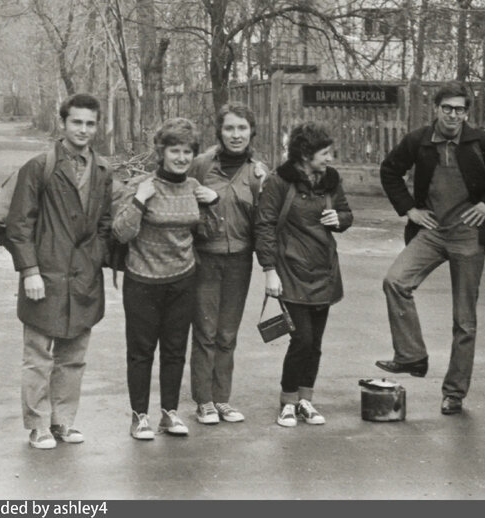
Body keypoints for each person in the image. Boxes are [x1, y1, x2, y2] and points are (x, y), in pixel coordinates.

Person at [376, 84, 485, 415]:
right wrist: (409, 209)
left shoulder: (480, 142)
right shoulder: (420, 141)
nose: (453, 115)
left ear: (466, 113)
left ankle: (454, 393)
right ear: (436, 109)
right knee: (395, 281)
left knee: (464, 320)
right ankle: (411, 355)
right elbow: (389, 170)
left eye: (460, 110)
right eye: (447, 108)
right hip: (431, 232)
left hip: (468, 236)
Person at [4, 93, 113, 450]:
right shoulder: (39, 167)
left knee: (73, 356)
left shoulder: (102, 170)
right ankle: (37, 425)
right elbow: (19, 224)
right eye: (77, 122)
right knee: (38, 355)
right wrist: (30, 270)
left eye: (90, 123)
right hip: (45, 275)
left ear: (98, 126)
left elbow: (105, 223)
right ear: (63, 123)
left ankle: (63, 422)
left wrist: (95, 258)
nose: (83, 130)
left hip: (84, 277)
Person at [111, 117, 220, 440]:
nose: (182, 158)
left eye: (188, 151)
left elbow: (209, 233)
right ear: (161, 152)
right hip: (143, 281)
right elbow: (121, 233)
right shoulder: (143, 186)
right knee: (141, 351)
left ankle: (169, 414)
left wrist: (212, 203)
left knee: (175, 350)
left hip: (182, 280)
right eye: (175, 150)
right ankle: (139, 417)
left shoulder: (193, 188)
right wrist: (140, 200)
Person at [254, 122, 353, 428]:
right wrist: (269, 271)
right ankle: (287, 401)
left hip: (324, 271)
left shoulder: (331, 180)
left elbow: (346, 213)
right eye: (324, 152)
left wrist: (340, 219)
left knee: (316, 342)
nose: (329, 158)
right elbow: (265, 226)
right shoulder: (279, 182)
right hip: (290, 272)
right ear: (306, 153)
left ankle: (305, 400)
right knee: (302, 339)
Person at [185, 103, 267, 425]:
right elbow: (177, 195)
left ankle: (222, 399)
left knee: (228, 333)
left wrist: (270, 266)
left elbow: (264, 221)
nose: (236, 135)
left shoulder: (258, 172)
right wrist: (197, 197)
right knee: (205, 329)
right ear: (219, 132)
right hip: (204, 257)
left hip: (240, 260)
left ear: (251, 132)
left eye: (242, 129)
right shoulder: (201, 165)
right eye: (230, 128)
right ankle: (203, 400)